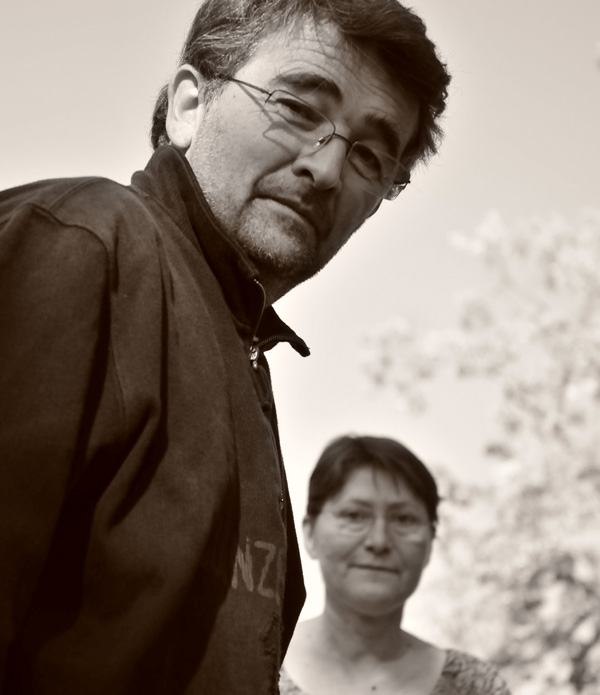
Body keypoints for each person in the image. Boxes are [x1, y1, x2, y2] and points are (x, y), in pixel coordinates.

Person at [0, 1, 450, 693]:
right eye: (297, 107)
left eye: (369, 155)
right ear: (189, 104)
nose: (328, 168)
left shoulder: (239, 344)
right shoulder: (79, 247)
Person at [280, 435, 511, 695]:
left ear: (431, 541)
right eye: (354, 515)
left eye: (403, 519)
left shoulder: (474, 687)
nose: (379, 541)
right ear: (309, 533)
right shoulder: (256, 665)